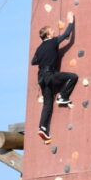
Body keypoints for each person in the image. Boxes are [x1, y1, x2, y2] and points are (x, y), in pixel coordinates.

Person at [31, 11, 77, 141]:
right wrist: (71, 22)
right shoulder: (52, 42)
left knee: (47, 104)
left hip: (41, 79)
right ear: (48, 34)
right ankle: (63, 96)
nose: (53, 31)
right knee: (72, 77)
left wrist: (45, 57)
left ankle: (43, 128)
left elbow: (33, 61)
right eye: (51, 30)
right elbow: (67, 35)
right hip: (50, 74)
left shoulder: (39, 48)